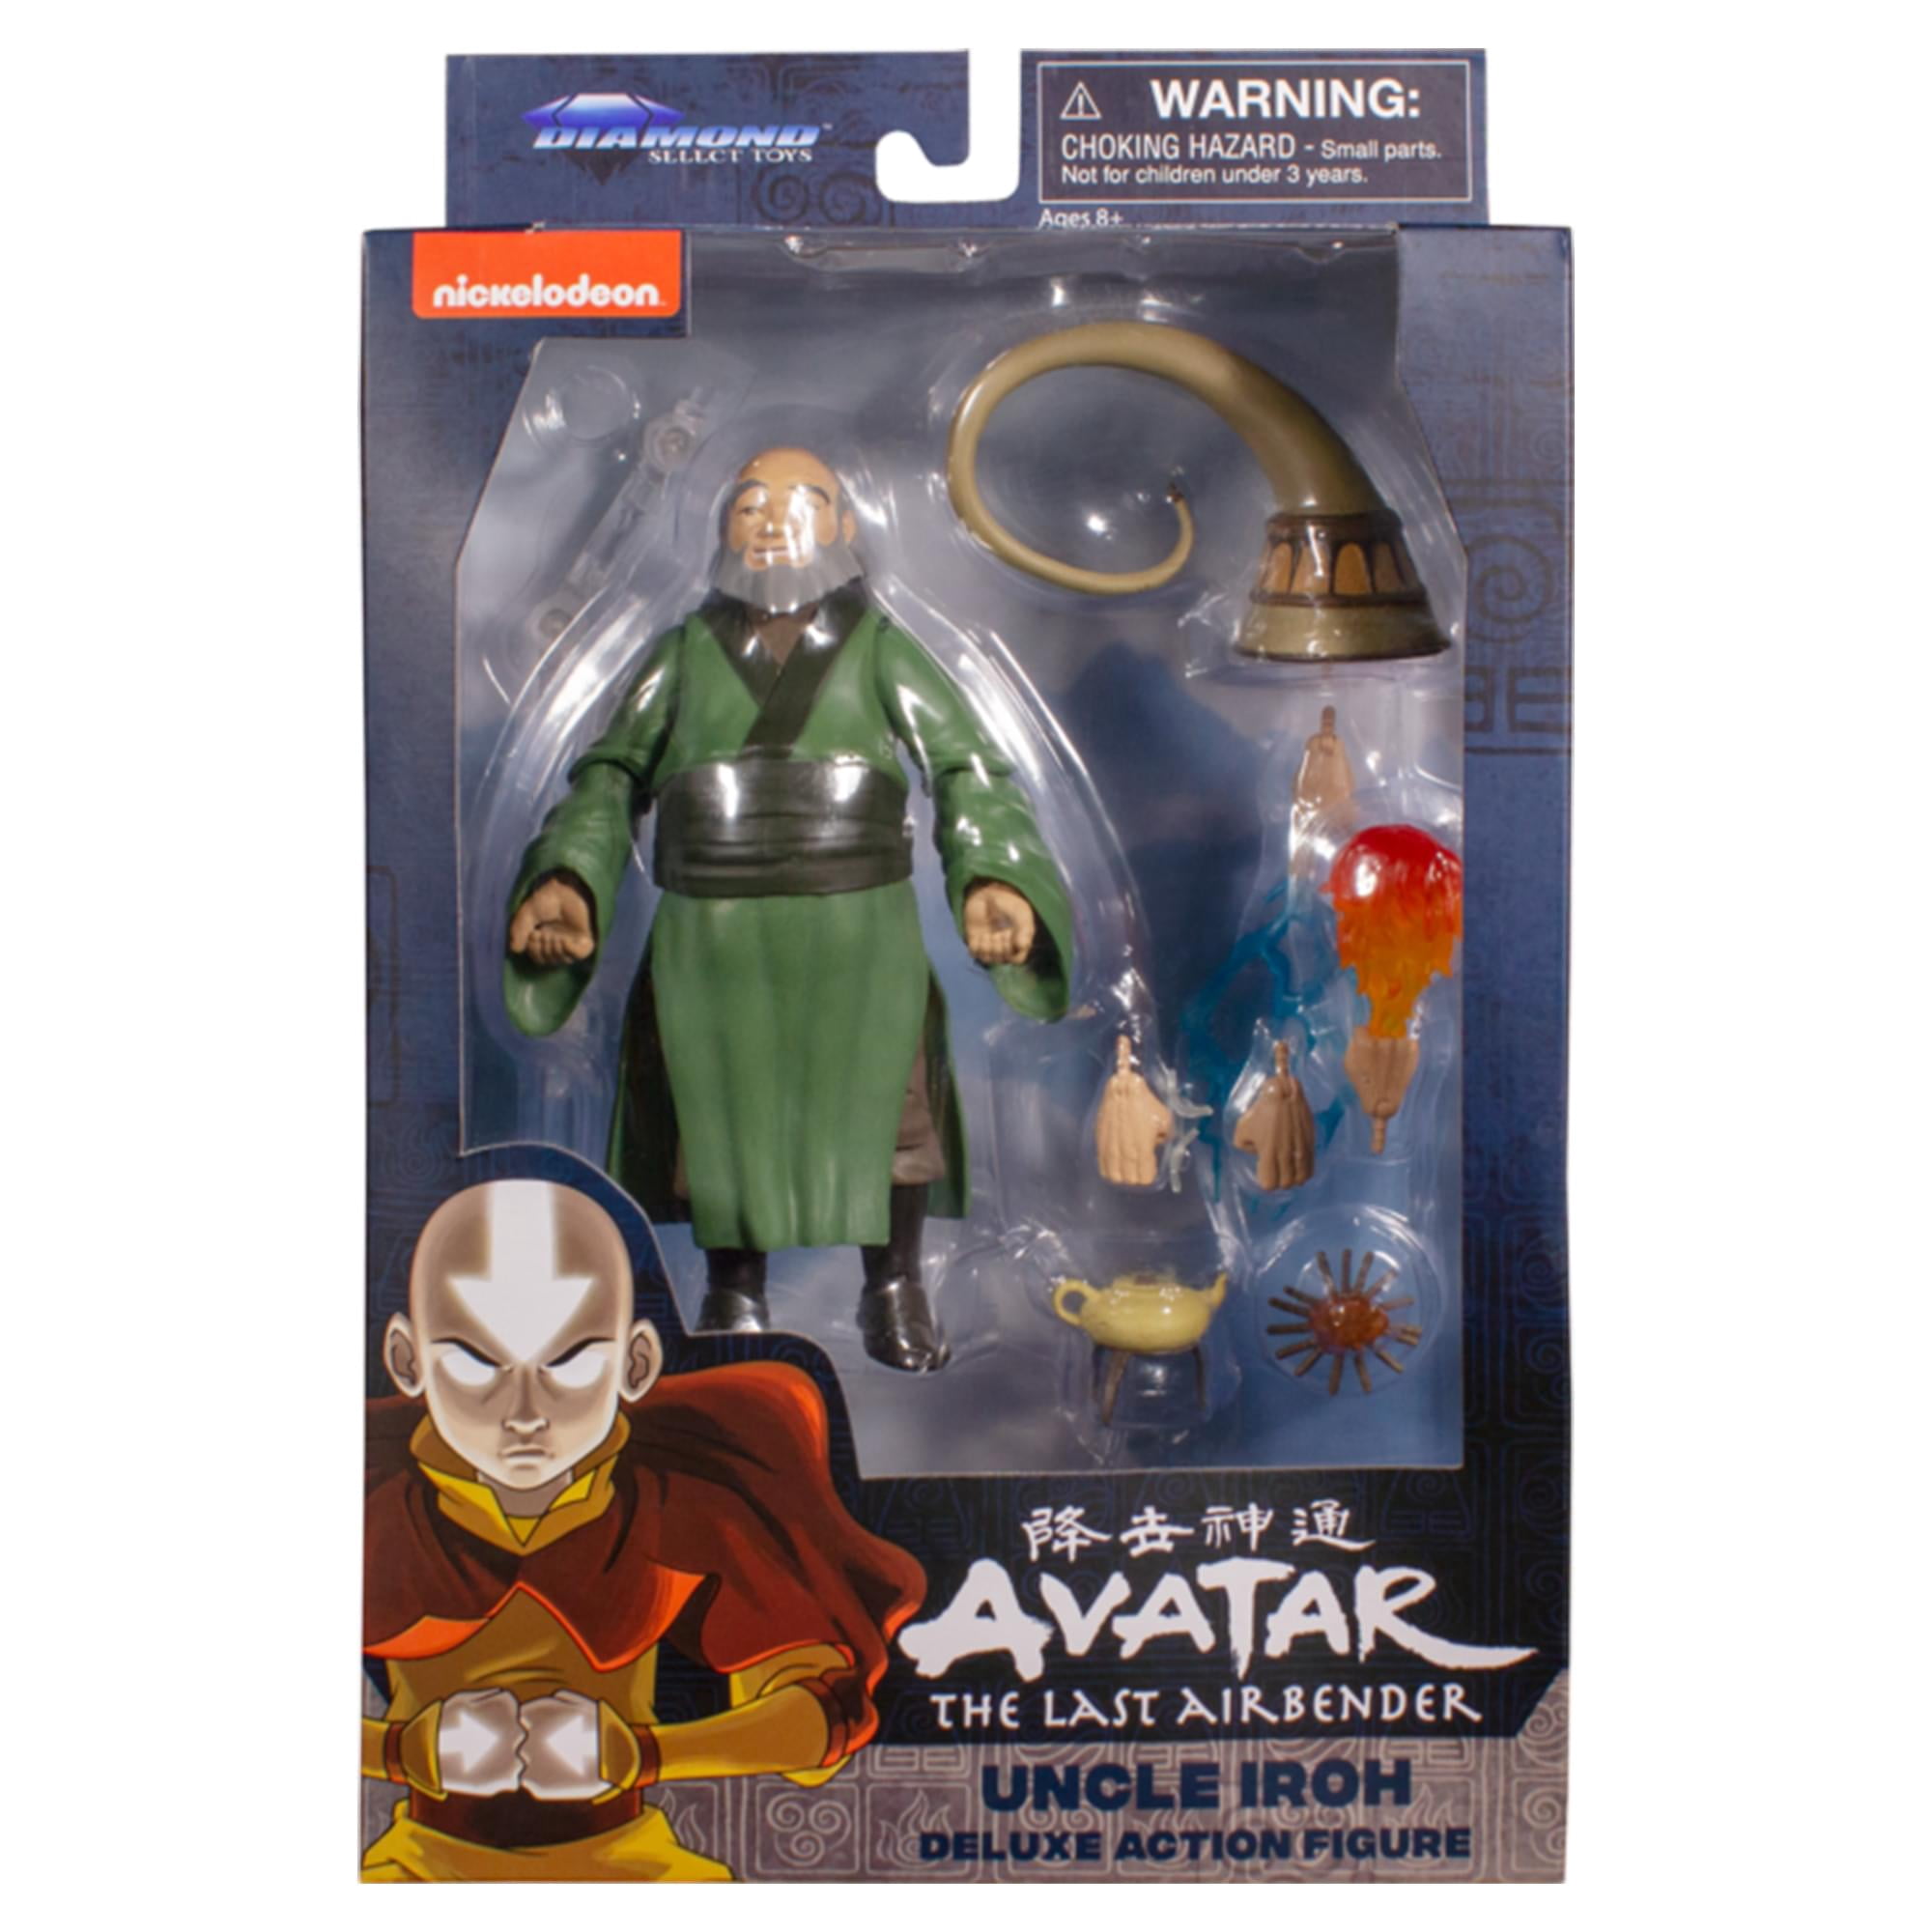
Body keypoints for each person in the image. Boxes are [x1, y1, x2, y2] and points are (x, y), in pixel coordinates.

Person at [505, 446, 1073, 1369]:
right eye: (750, 505)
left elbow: (966, 767)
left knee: (891, 1114)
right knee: (720, 1114)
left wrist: (993, 876)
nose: (775, 521)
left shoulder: (881, 649)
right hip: (712, 935)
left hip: (861, 932)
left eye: (803, 501)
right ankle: (734, 1290)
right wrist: (569, 875)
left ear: (844, 527)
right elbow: (610, 773)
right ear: (722, 527)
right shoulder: (683, 655)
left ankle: (894, 1284)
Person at [361, 1179, 925, 1881]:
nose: (524, 1411)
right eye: (476, 1363)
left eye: (568, 1363)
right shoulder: (368, 1497)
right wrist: (405, 1752)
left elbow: (823, 1716)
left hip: (636, 1866)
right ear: (408, 1360)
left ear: (635, 1364)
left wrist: (637, 1754)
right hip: (414, 1870)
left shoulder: (684, 1489)